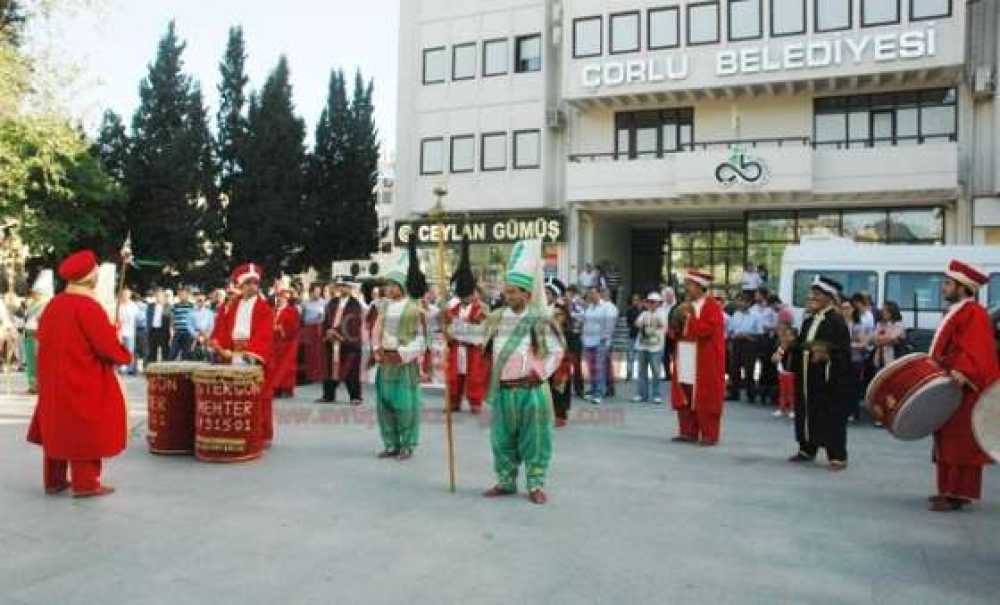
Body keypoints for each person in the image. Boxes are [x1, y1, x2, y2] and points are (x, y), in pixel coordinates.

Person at [27, 250, 132, 498]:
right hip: (82, 378)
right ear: (89, 277)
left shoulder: (54, 305)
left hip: (54, 381)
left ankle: (54, 480)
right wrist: (122, 350)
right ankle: (86, 483)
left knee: (58, 427)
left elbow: (42, 342)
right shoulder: (88, 307)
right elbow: (107, 347)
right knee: (84, 430)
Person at [482, 239, 564, 505]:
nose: (508, 296)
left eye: (513, 292)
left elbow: (557, 351)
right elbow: (477, 337)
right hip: (504, 391)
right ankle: (506, 481)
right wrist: (451, 328)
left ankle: (536, 483)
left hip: (531, 390)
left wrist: (539, 372)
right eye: (506, 291)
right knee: (501, 440)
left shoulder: (540, 319)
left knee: (536, 439)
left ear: (527, 294)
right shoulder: (496, 317)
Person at [926, 261, 997, 512]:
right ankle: (947, 489)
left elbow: (977, 346)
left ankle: (957, 493)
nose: (943, 288)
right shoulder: (957, 311)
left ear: (963, 287)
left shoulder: (973, 312)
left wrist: (963, 371)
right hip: (949, 383)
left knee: (960, 441)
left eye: (948, 283)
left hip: (964, 386)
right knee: (946, 438)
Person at [787, 276, 852, 471]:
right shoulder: (808, 321)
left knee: (830, 415)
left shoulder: (836, 322)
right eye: (811, 293)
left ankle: (837, 455)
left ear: (829, 297)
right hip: (807, 377)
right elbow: (803, 345)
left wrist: (826, 354)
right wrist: (790, 345)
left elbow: (842, 351)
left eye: (816, 294)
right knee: (806, 412)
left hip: (826, 379)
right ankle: (807, 448)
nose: (811, 297)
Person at [372, 241, 427, 460]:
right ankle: (391, 444)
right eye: (387, 284)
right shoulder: (383, 307)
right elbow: (376, 331)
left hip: (404, 363)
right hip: (386, 362)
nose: (388, 288)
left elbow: (422, 339)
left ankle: (407, 445)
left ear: (401, 287)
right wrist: (376, 349)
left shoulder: (415, 308)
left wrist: (403, 353)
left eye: (392, 284)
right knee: (384, 405)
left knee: (405, 406)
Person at [210, 263, 276, 445]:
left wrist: (250, 353)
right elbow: (224, 326)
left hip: (252, 356)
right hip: (232, 354)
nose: (252, 286)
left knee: (258, 396)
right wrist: (220, 345)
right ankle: (238, 430)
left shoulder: (264, 308)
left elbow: (265, 334)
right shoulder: (234, 304)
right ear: (241, 285)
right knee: (234, 396)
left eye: (255, 283)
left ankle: (261, 433)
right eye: (248, 283)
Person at [669, 270, 727, 446]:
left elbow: (706, 329)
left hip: (704, 358)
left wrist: (688, 319)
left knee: (705, 396)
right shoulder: (684, 306)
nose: (686, 288)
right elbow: (675, 331)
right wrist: (674, 327)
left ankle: (709, 435)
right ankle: (688, 432)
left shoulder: (712, 306)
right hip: (685, 355)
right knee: (685, 393)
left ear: (700, 287)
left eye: (689, 285)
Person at [444, 239, 487, 414]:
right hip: (456, 348)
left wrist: (464, 330)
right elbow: (447, 328)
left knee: (474, 375)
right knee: (453, 376)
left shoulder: (480, 310)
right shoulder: (452, 309)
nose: (466, 297)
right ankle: (454, 401)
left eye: (469, 293)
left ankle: (475, 402)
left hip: (472, 349)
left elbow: (481, 330)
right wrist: (449, 332)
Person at [319, 277, 366, 405]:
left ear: (350, 288)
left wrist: (337, 332)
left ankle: (355, 396)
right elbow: (326, 319)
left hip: (348, 341)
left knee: (351, 369)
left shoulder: (355, 304)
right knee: (330, 368)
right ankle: (328, 395)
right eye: (339, 285)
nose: (341, 288)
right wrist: (327, 332)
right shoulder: (332, 302)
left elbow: (353, 322)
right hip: (331, 340)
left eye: (344, 286)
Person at [581, 286, 615, 404]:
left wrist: (605, 339)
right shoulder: (589, 307)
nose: (591, 295)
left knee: (599, 368)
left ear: (599, 294)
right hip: (588, 341)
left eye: (593, 293)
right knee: (591, 369)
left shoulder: (606, 307)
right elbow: (586, 323)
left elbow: (609, 325)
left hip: (600, 342)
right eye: (590, 293)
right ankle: (593, 389)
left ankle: (599, 393)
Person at [632, 292, 668, 404]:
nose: (650, 304)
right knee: (641, 371)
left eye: (653, 302)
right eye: (648, 301)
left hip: (656, 347)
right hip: (642, 345)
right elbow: (637, 323)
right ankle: (642, 394)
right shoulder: (644, 313)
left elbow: (663, 326)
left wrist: (651, 325)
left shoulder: (662, 313)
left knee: (656, 372)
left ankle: (656, 395)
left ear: (658, 303)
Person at [23, 270, 53, 393]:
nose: (34, 294)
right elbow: (23, 314)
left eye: (36, 292)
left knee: (39, 361)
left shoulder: (46, 301)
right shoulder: (33, 302)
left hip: (38, 333)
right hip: (30, 331)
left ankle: (39, 385)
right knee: (31, 361)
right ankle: (33, 385)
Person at [726, 295, 760, 403]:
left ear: (749, 303)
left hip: (749, 343)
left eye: (744, 302)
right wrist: (733, 336)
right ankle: (734, 393)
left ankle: (751, 394)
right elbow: (730, 330)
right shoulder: (736, 314)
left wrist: (747, 336)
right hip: (737, 342)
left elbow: (759, 332)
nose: (741, 304)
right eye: (740, 301)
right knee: (734, 368)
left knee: (749, 369)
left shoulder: (755, 315)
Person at [548, 289, 574, 428]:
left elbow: (558, 328)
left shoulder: (558, 311)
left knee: (558, 384)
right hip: (544, 353)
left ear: (554, 296)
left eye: (548, 293)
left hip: (558, 352)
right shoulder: (540, 309)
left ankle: (560, 415)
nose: (545, 295)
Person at [272, 279, 300, 398]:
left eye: (281, 296)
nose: (279, 299)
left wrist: (281, 328)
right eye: (278, 296)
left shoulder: (292, 311)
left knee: (286, 367)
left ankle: (286, 389)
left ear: (286, 298)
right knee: (275, 366)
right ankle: (276, 388)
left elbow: (294, 327)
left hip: (287, 343)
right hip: (275, 343)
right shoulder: (274, 310)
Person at [299, 283, 327, 385]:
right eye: (316, 292)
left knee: (319, 352)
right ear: (311, 292)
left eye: (319, 292)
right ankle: (310, 375)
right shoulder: (304, 303)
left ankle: (319, 375)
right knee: (309, 352)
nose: (318, 294)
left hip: (319, 329)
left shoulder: (324, 303)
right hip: (308, 329)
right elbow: (302, 318)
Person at [564, 285, 586, 397]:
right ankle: (566, 388)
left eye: (567, 293)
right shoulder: (565, 303)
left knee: (576, 364)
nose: (566, 295)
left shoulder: (578, 303)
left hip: (575, 336)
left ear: (572, 293)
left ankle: (579, 389)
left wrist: (570, 310)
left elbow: (581, 316)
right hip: (566, 335)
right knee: (565, 364)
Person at [772, 325, 798, 419]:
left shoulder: (795, 348)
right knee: (783, 392)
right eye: (785, 335)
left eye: (789, 336)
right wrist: (779, 353)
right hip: (782, 372)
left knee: (791, 392)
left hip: (791, 373)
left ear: (794, 337)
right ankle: (782, 408)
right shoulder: (782, 347)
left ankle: (792, 409)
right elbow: (775, 358)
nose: (787, 338)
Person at [116, 288, 140, 375]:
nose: (125, 296)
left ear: (130, 295)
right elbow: (117, 318)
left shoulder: (133, 306)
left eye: (127, 294)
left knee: (129, 350)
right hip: (120, 332)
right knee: (120, 350)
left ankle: (130, 368)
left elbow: (137, 317)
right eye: (124, 294)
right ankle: (121, 367)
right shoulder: (119, 305)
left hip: (130, 332)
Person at [169, 287, 195, 360]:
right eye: (180, 294)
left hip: (188, 333)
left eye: (184, 294)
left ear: (187, 295)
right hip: (177, 333)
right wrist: (171, 334)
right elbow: (172, 321)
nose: (182, 296)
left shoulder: (192, 306)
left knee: (187, 355)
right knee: (172, 354)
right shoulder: (175, 306)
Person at [146, 289, 171, 363]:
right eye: (157, 296)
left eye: (160, 296)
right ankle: (152, 366)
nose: (158, 297)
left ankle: (165, 367)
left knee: (165, 351)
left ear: (164, 297)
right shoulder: (150, 306)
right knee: (152, 351)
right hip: (153, 330)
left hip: (163, 331)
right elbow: (148, 318)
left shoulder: (168, 306)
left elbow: (171, 319)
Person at [190, 294, 216, 362]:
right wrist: (197, 336)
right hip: (196, 337)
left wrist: (205, 335)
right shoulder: (192, 313)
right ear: (196, 302)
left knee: (209, 354)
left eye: (203, 301)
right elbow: (191, 326)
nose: (201, 303)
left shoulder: (210, 313)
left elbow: (211, 326)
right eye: (199, 301)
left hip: (207, 337)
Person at [624, 294, 643, 382]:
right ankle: (629, 373)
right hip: (632, 335)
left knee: (640, 357)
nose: (635, 302)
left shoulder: (643, 310)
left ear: (640, 301)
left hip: (642, 336)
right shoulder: (629, 310)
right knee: (630, 356)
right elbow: (628, 322)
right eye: (634, 300)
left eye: (636, 300)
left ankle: (640, 374)